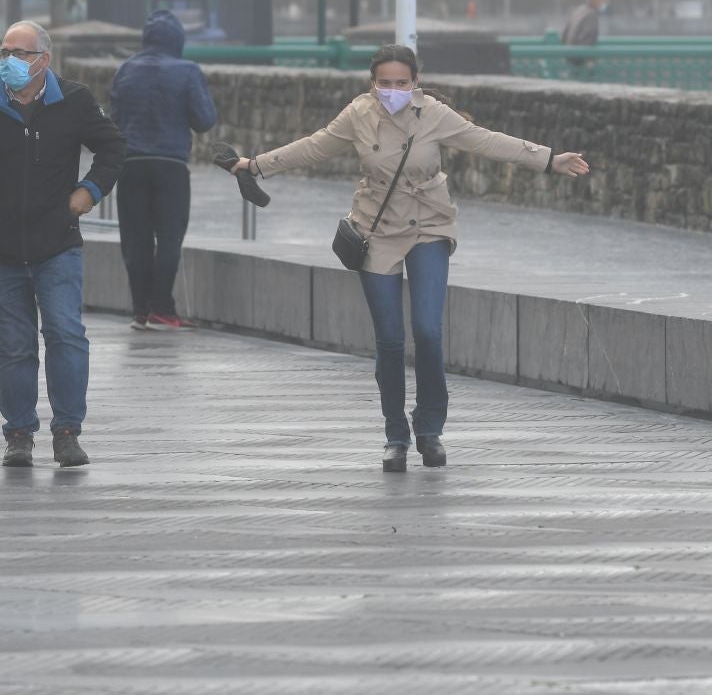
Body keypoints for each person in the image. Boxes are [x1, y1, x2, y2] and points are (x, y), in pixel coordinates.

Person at [230, 45, 590, 473]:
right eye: (385, 83)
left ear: (415, 82)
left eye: (402, 82)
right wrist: (254, 165)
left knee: (428, 330)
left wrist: (549, 159)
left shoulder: (434, 114)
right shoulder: (358, 114)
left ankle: (430, 429)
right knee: (389, 339)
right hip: (376, 228)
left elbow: (487, 141)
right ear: (372, 83)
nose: (394, 90)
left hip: (429, 225)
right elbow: (314, 146)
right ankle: (395, 435)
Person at [0, 21, 126, 468]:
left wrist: (89, 192)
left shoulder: (74, 100)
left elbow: (114, 147)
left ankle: (67, 432)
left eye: (20, 53)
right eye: (4, 52)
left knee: (65, 335)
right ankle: (19, 434)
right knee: (15, 345)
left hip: (57, 243)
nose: (9, 61)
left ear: (44, 59)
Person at [110, 9, 218, 330]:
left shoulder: (126, 69)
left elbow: (112, 120)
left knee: (135, 240)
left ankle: (140, 310)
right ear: (178, 41)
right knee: (169, 239)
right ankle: (163, 307)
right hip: (171, 166)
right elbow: (204, 120)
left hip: (131, 164)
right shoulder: (187, 71)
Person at [561, 0, 608, 70]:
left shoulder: (579, 10)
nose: (604, 2)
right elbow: (588, 38)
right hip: (579, 61)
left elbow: (565, 34)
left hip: (569, 57)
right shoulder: (591, 15)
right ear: (596, 1)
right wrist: (589, 60)